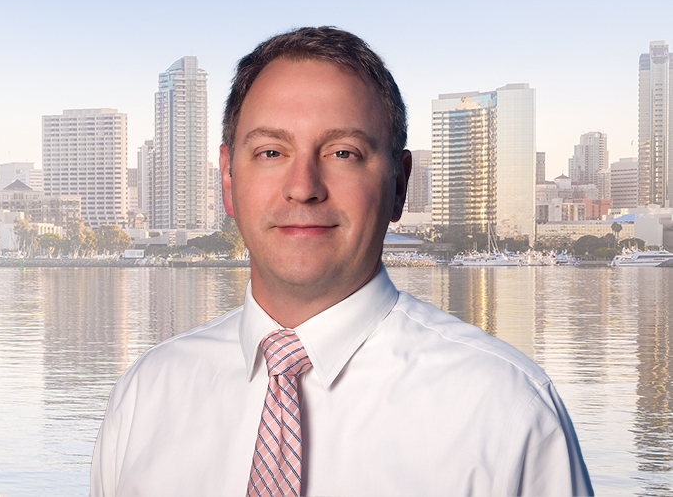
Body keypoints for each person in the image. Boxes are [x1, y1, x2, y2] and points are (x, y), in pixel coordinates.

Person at [90, 27, 591, 496]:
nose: (303, 187)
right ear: (227, 179)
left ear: (400, 182)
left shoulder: (507, 411)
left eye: (343, 153)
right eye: (270, 152)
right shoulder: (145, 398)